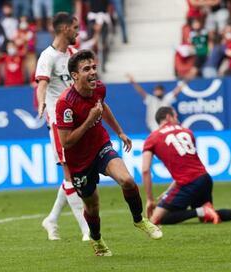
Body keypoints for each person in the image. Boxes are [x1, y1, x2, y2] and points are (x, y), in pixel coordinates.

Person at [56, 49, 162, 257]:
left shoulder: (99, 89)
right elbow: (66, 143)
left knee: (128, 181)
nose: (93, 72)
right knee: (93, 207)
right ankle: (96, 239)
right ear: (75, 75)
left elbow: (102, 107)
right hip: (79, 162)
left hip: (101, 147)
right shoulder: (65, 104)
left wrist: (120, 132)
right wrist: (89, 120)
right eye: (87, 69)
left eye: (94, 67)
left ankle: (139, 220)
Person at [142, 106, 231, 225]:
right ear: (168, 117)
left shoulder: (153, 138)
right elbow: (187, 166)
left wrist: (149, 199)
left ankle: (202, 210)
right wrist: (169, 191)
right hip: (204, 179)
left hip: (187, 183)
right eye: (176, 116)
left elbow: (145, 170)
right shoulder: (187, 132)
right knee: (206, 217)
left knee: (155, 219)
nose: (177, 119)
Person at [35, 12, 89, 242]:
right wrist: (41, 104)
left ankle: (52, 219)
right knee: (70, 173)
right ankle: (86, 229)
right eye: (75, 27)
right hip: (58, 123)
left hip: (76, 120)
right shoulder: (47, 57)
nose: (78, 31)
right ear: (65, 28)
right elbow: (42, 85)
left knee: (74, 172)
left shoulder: (74, 55)